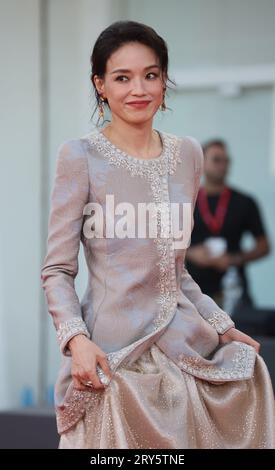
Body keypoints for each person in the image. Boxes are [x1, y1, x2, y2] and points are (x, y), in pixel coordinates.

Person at [41, 20, 275, 449]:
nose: (139, 89)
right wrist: (76, 341)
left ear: (165, 81)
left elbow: (176, 270)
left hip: (183, 345)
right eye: (122, 77)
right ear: (100, 85)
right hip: (111, 353)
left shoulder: (187, 154)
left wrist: (222, 327)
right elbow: (57, 270)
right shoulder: (79, 157)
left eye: (151, 75)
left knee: (250, 374)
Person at [185, 138, 270, 308]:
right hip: (192, 291)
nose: (222, 165)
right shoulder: (187, 201)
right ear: (201, 163)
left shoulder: (245, 202)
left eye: (226, 160)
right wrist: (191, 253)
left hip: (234, 290)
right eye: (216, 160)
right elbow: (165, 243)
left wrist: (234, 259)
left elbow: (264, 246)